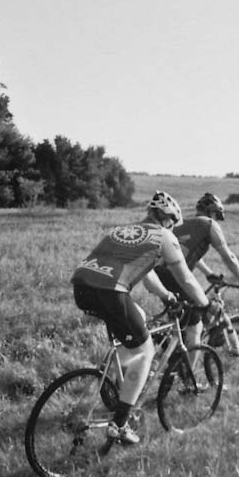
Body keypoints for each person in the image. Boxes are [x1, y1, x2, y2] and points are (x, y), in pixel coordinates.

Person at [70, 191, 210, 445]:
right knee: (146, 351)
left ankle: (116, 378)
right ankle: (120, 424)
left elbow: (148, 276)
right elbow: (187, 278)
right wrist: (204, 303)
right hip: (110, 291)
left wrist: (167, 296)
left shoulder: (124, 231)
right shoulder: (163, 236)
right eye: (172, 223)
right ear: (167, 219)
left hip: (82, 287)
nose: (172, 228)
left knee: (140, 318)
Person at [152, 192, 239, 354]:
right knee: (195, 327)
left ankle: (173, 355)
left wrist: (208, 273)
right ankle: (185, 370)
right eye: (217, 216)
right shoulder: (209, 225)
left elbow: (186, 254)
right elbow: (228, 256)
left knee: (181, 322)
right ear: (212, 213)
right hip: (176, 277)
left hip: (158, 274)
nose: (217, 220)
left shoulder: (183, 224)